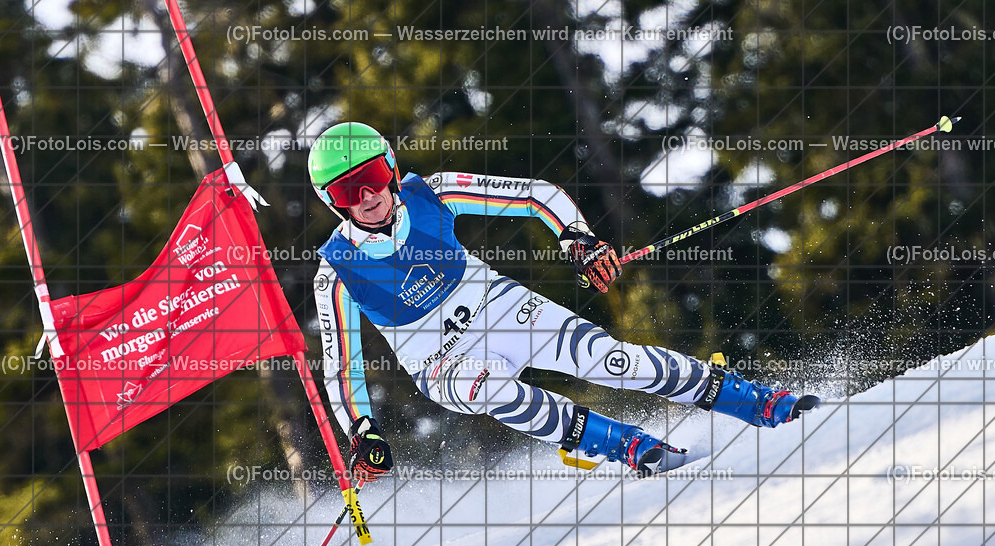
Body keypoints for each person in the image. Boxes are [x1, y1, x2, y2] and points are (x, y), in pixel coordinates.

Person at [309, 122, 818, 482]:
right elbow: (341, 366)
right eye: (348, 190)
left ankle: (759, 402)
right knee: (488, 387)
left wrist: (579, 239)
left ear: (391, 169)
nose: (367, 196)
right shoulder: (335, 268)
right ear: (333, 201)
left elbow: (537, 194)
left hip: (497, 307)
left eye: (373, 177)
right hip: (441, 360)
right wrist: (362, 429)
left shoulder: (433, 193)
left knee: (611, 361)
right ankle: (625, 445)